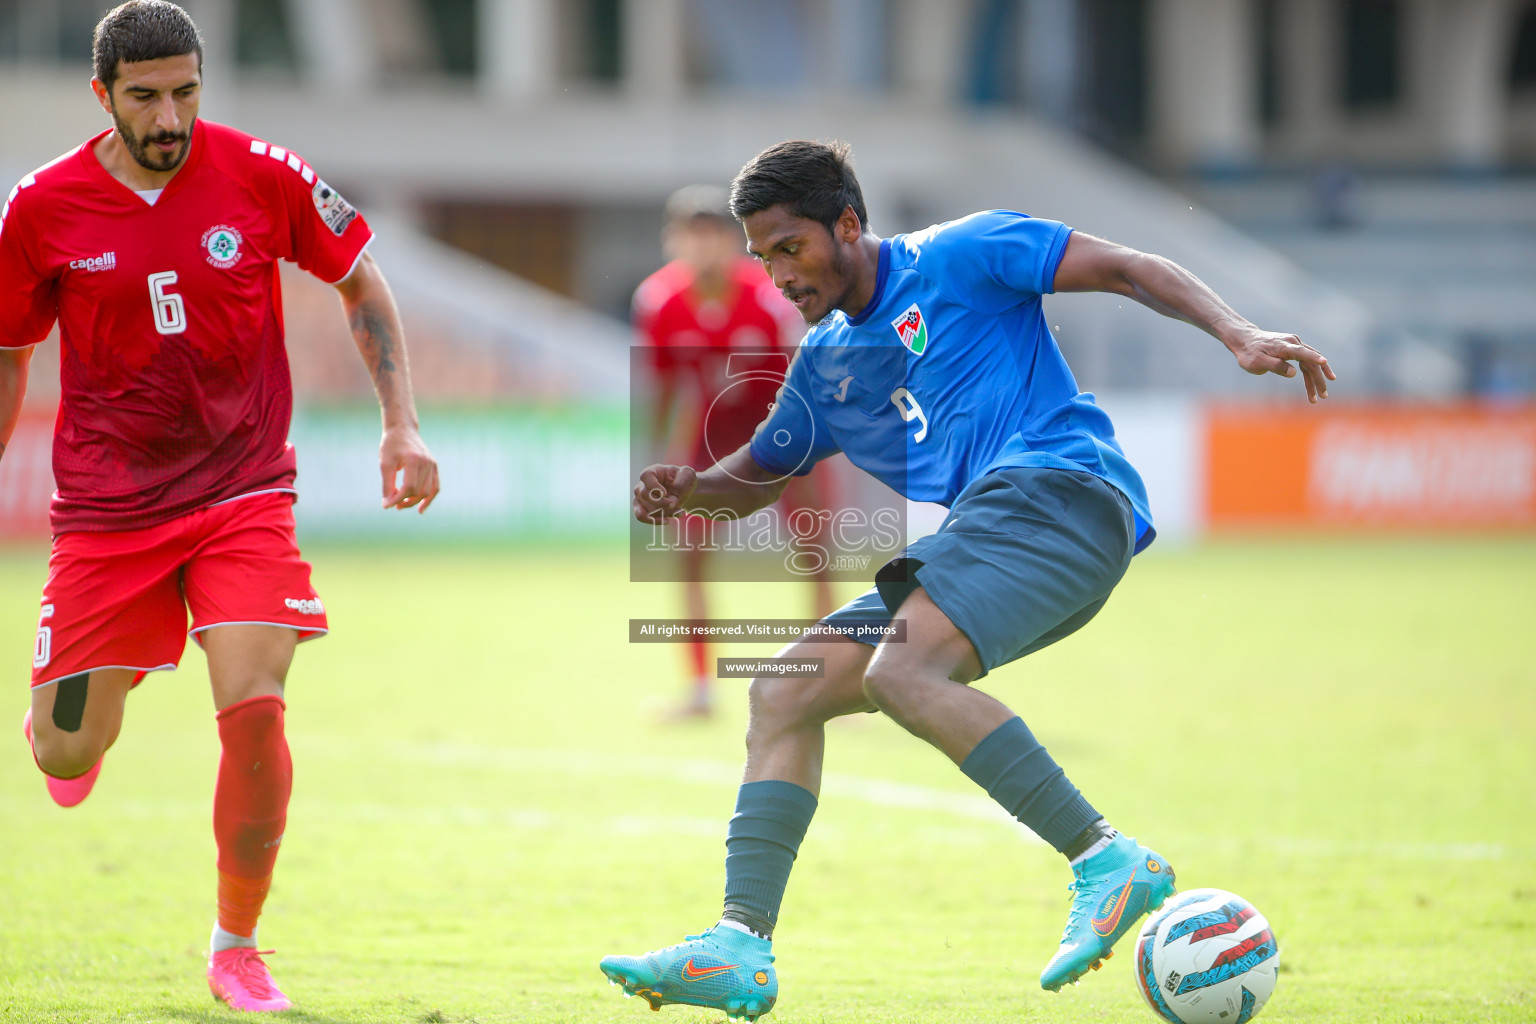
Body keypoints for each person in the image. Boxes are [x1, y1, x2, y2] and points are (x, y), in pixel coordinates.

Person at [603, 139, 1333, 1020]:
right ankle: (738, 944)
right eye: (763, 258)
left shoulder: (962, 253)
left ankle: (1107, 860)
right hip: (1000, 529)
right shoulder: (826, 364)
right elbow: (758, 472)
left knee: (902, 672)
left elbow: (1130, 268)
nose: (778, 275)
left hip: (1062, 491)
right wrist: (690, 490)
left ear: (846, 225)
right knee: (784, 690)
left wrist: (1238, 330)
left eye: (789, 249)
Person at [0, 1, 439, 1012]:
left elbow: (361, 281)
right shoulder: (41, 207)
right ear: (102, 94)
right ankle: (85, 706)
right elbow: (11, 351)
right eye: (146, 97)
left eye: (187, 92)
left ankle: (236, 943)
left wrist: (401, 423)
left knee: (255, 705)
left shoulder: (262, 173)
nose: (170, 117)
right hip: (108, 514)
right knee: (68, 745)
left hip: (243, 491)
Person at [635, 184, 833, 718]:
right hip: (710, 439)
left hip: (784, 434)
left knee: (817, 553)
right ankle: (700, 689)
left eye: (712, 236)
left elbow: (803, 374)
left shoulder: (769, 298)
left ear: (730, 241)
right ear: (673, 241)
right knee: (689, 557)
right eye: (689, 237)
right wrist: (657, 460)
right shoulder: (660, 303)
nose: (701, 248)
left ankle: (830, 683)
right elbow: (665, 389)